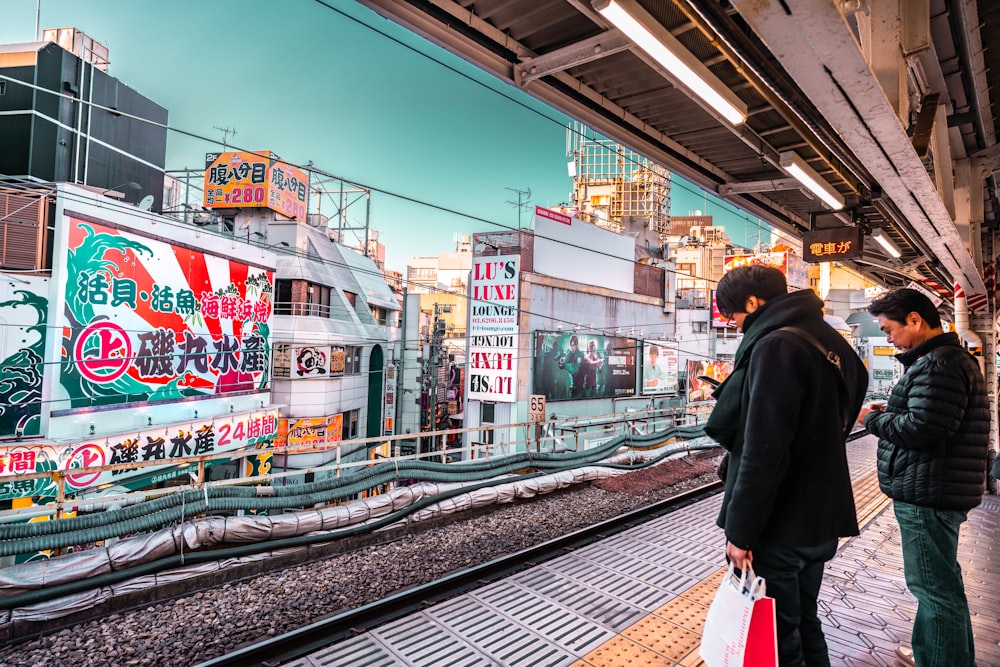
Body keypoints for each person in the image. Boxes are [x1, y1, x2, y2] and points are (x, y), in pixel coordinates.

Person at [704, 265, 867, 667]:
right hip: (821, 519)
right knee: (805, 621)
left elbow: (763, 451)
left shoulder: (776, 346)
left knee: (778, 636)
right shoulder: (831, 340)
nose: (737, 327)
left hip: (780, 525)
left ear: (753, 303)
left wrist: (741, 534)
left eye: (734, 317)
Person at [857, 289, 988, 667]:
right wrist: (893, 409)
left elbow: (923, 429)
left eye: (889, 329)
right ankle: (935, 652)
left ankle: (942, 661)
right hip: (935, 488)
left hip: (928, 492)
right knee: (940, 584)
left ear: (915, 320)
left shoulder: (938, 363)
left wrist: (872, 419)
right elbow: (930, 417)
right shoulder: (946, 359)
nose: (888, 338)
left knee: (934, 589)